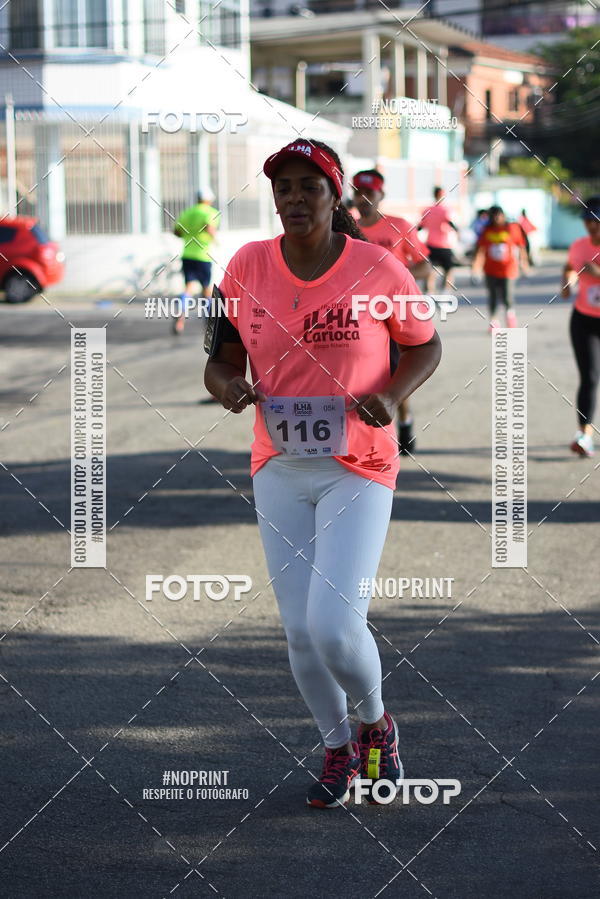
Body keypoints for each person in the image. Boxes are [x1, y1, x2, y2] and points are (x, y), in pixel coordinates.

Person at [204, 139, 441, 809]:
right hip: (277, 465)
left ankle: (377, 725)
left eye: (311, 186)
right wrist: (227, 387)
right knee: (300, 632)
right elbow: (220, 359)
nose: (296, 198)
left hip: (358, 464)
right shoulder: (246, 266)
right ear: (273, 197)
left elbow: (426, 344)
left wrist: (392, 396)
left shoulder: (379, 267)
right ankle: (337, 745)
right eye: (285, 187)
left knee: (334, 624)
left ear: (336, 197)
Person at [352, 168, 432, 455]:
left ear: (380, 195)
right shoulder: (347, 227)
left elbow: (424, 265)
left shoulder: (398, 226)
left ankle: (405, 420)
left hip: (394, 314)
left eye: (369, 194)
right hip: (358, 315)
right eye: (358, 193)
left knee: (395, 372)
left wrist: (395, 275)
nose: (362, 199)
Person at [561, 196, 600, 458]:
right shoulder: (578, 246)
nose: (590, 227)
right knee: (589, 377)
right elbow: (569, 267)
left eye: (595, 222)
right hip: (584, 319)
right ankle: (585, 435)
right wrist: (567, 281)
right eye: (587, 221)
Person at [471, 205, 529, 331]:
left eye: (499, 215)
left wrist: (524, 263)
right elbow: (480, 249)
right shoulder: (487, 231)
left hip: (508, 269)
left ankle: (510, 316)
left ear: (503, 215)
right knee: (492, 296)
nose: (497, 218)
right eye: (494, 215)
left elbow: (521, 246)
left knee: (507, 295)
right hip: (490, 269)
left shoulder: (512, 228)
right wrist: (475, 266)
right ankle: (494, 322)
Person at [172, 190, 220, 334]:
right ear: (208, 200)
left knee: (188, 288)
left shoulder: (187, 212)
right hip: (203, 256)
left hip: (187, 255)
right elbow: (210, 227)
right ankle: (209, 324)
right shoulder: (210, 212)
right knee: (207, 290)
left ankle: (180, 320)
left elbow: (176, 232)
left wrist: (190, 233)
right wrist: (216, 240)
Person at [418, 186, 460, 292]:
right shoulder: (446, 210)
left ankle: (429, 294)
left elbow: (420, 227)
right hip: (444, 245)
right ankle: (445, 293)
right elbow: (451, 223)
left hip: (430, 245)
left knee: (430, 271)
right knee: (449, 271)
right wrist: (458, 233)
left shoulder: (427, 210)